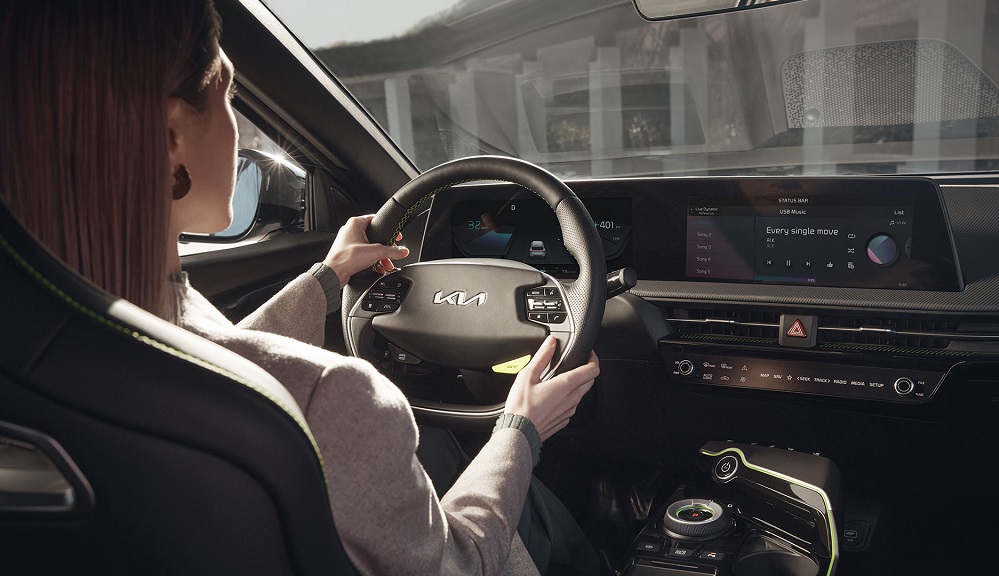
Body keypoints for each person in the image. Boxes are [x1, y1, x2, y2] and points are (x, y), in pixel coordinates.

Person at [0, 2, 601, 575]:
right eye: (229, 96)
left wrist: (328, 277)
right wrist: (521, 429)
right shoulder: (339, 400)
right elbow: (462, 563)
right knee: (537, 515)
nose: (238, 133)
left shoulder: (52, 356)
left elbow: (212, 364)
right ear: (172, 138)